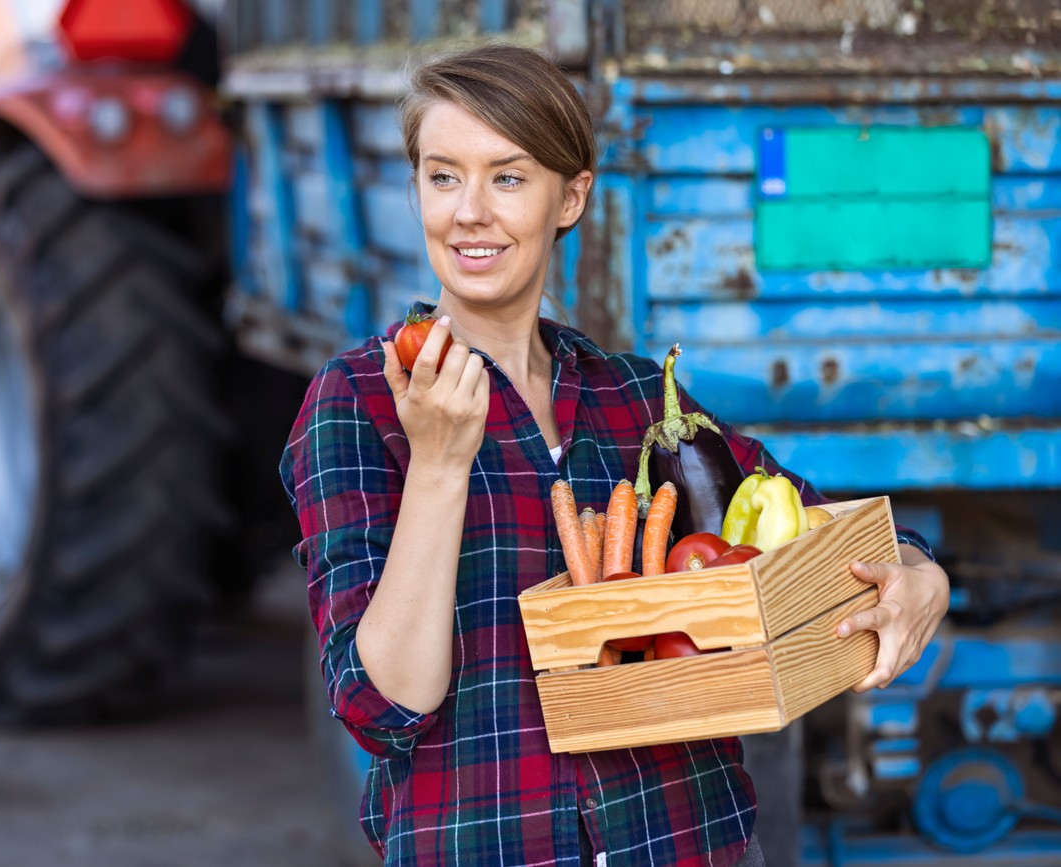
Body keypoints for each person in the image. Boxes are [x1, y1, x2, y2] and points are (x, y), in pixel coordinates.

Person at [279, 43, 949, 867]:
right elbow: (383, 705)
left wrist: (921, 571)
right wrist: (441, 464)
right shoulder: (358, 402)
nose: (469, 212)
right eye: (443, 175)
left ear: (572, 196)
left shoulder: (635, 399)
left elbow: (806, 523)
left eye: (509, 176)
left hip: (681, 842)